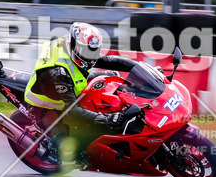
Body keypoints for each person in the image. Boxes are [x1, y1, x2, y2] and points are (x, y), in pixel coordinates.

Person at [24, 22, 138, 156]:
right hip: (50, 101)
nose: (90, 55)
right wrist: (105, 119)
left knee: (113, 76)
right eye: (86, 51)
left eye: (93, 51)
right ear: (73, 46)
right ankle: (51, 147)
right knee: (68, 151)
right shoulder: (60, 71)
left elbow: (109, 60)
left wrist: (140, 67)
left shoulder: (79, 48)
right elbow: (72, 109)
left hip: (69, 83)